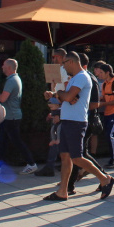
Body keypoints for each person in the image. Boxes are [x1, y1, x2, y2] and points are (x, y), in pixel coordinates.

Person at [43, 52, 114, 201]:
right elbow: (68, 99)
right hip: (68, 119)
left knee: (77, 157)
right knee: (65, 156)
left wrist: (60, 94)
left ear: (71, 62)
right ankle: (62, 191)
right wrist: (58, 95)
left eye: (64, 63)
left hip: (76, 122)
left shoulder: (82, 77)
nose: (62, 66)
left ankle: (105, 179)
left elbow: (68, 97)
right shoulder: (75, 78)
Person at [68, 53, 107, 194]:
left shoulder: (88, 78)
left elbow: (95, 103)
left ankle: (105, 178)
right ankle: (69, 185)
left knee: (79, 155)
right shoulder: (78, 78)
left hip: (87, 120)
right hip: (80, 119)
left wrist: (78, 104)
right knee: (78, 154)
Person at [0, 59, 37, 174]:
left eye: (3, 65)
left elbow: (3, 98)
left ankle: (31, 163)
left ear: (9, 68)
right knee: (2, 141)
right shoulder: (15, 79)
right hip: (10, 116)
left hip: (11, 117)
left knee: (16, 141)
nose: (2, 67)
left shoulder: (11, 81)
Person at [35, 48, 69, 177]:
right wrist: (50, 95)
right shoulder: (57, 70)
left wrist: (58, 107)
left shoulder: (65, 70)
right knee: (57, 137)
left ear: (59, 57)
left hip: (61, 107)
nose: (53, 59)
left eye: (54, 56)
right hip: (57, 106)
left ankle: (51, 165)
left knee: (55, 137)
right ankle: (60, 163)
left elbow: (66, 89)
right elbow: (55, 88)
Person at [92, 61, 114, 169]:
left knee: (110, 134)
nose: (99, 75)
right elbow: (105, 97)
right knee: (108, 135)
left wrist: (102, 103)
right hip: (107, 112)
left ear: (107, 72)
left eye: (101, 72)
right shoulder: (105, 84)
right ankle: (113, 157)